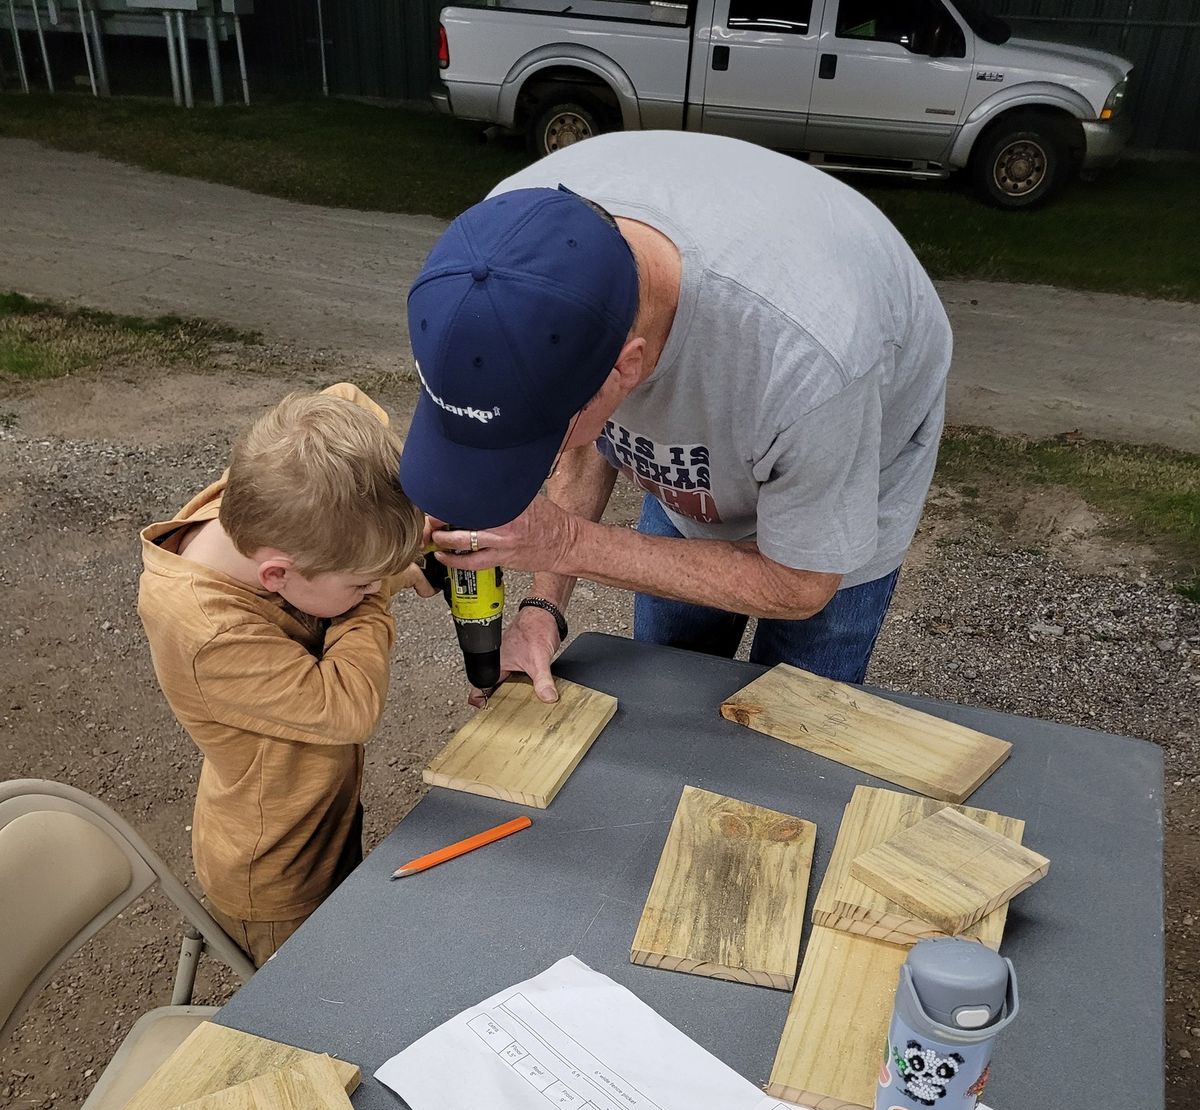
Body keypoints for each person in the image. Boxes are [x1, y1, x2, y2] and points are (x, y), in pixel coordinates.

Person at [401, 131, 952, 705]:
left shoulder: (808, 365)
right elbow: (582, 435)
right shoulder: (507, 250)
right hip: (742, 399)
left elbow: (800, 584)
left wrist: (563, 540)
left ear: (624, 369)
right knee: (668, 687)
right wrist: (543, 609)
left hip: (849, 432)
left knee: (800, 715)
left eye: (537, 439)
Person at [138, 384, 428, 966]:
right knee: (313, 1012)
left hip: (322, 819)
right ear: (277, 574)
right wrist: (381, 589)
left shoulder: (273, 494)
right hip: (278, 873)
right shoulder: (208, 630)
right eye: (359, 581)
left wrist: (393, 529)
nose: (372, 588)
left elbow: (346, 401)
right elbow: (349, 704)